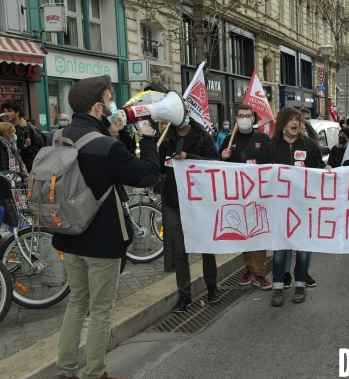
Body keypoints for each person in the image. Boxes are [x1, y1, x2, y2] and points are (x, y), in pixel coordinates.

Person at [52, 75, 160, 379]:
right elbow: (147, 175)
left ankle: (65, 370)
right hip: (102, 242)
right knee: (100, 311)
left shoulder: (57, 136)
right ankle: (96, 372)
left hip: (68, 235)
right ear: (99, 106)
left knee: (76, 303)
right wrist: (147, 139)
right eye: (111, 99)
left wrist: (111, 133)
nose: (114, 104)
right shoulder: (105, 147)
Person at [260, 107, 328, 306]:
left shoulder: (309, 144)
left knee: (304, 248)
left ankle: (300, 285)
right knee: (281, 249)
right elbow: (260, 174)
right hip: (280, 206)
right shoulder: (271, 147)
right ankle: (278, 287)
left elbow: (317, 167)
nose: (295, 123)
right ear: (282, 123)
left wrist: (325, 169)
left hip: (303, 205)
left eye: (297, 119)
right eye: (290, 119)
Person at [160, 102, 221, 312]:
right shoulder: (167, 137)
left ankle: (212, 286)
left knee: (205, 247)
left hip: (198, 201)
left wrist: (190, 159)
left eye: (184, 111)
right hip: (174, 201)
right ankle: (184, 295)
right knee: (180, 251)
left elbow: (213, 162)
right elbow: (156, 164)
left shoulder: (202, 136)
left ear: (188, 113)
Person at [220, 104, 272, 290]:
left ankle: (259, 273)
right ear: (236, 119)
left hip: (259, 195)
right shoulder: (228, 140)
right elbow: (219, 168)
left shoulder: (262, 139)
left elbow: (273, 164)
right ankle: (249, 268)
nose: (244, 119)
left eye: (247, 115)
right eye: (240, 116)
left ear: (253, 118)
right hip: (238, 195)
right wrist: (223, 157)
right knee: (242, 233)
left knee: (258, 232)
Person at [0, 101, 44, 172]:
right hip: (11, 169)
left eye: (9, 111)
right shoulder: (4, 128)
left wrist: (28, 166)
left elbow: (39, 149)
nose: (6, 114)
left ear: (17, 113)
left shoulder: (30, 129)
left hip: (27, 169)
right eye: (4, 111)